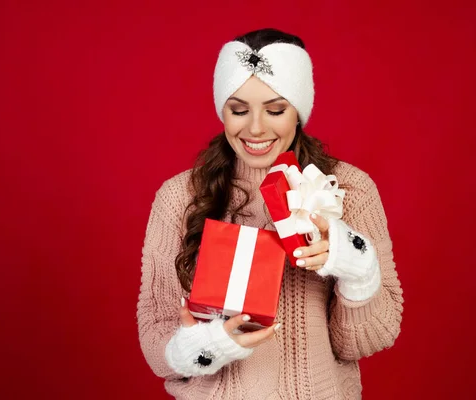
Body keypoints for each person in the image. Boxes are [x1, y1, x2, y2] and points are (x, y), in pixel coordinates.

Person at [137, 28, 404, 400]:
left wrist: (358, 271)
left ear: (299, 111)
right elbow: (156, 345)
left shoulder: (349, 189)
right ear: (222, 110)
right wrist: (207, 344)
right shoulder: (179, 198)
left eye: (276, 109)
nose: (256, 127)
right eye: (239, 109)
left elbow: (365, 340)